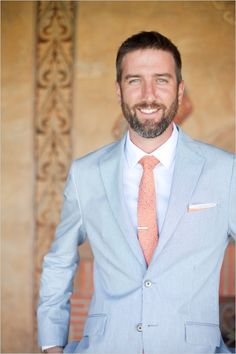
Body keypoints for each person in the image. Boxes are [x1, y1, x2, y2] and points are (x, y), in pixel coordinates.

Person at [37, 31, 235, 354]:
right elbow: (59, 263)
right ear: (118, 91)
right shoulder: (85, 174)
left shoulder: (225, 171)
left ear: (179, 89)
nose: (148, 95)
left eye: (161, 80)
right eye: (134, 81)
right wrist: (51, 346)